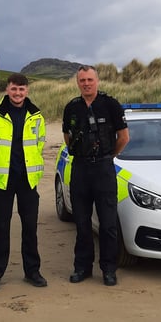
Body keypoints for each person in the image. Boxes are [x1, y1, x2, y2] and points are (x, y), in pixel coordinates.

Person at [0, 73, 47, 291]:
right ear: (7, 90)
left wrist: (33, 168)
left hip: (28, 179)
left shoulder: (36, 116)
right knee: (0, 227)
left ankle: (32, 271)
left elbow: (40, 144)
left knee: (30, 228)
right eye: (14, 89)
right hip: (2, 181)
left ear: (27, 91)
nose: (18, 93)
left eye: (22, 89)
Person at [62, 65, 129, 286]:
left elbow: (123, 137)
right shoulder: (71, 107)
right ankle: (82, 267)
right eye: (82, 80)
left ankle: (109, 270)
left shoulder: (110, 104)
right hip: (80, 169)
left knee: (108, 224)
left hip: (104, 169)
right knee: (82, 223)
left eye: (90, 79)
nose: (86, 83)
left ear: (97, 81)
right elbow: (67, 138)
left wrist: (108, 156)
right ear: (78, 83)